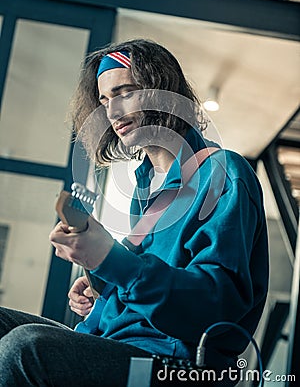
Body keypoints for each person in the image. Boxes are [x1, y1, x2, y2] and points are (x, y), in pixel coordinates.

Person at [0, 39, 269, 386]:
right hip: (116, 343)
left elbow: (216, 309)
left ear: (162, 91)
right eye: (104, 100)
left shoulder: (222, 173)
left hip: (173, 367)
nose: (111, 112)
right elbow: (143, 289)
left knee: (25, 349)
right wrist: (101, 287)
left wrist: (112, 261)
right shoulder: (145, 187)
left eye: (124, 92)